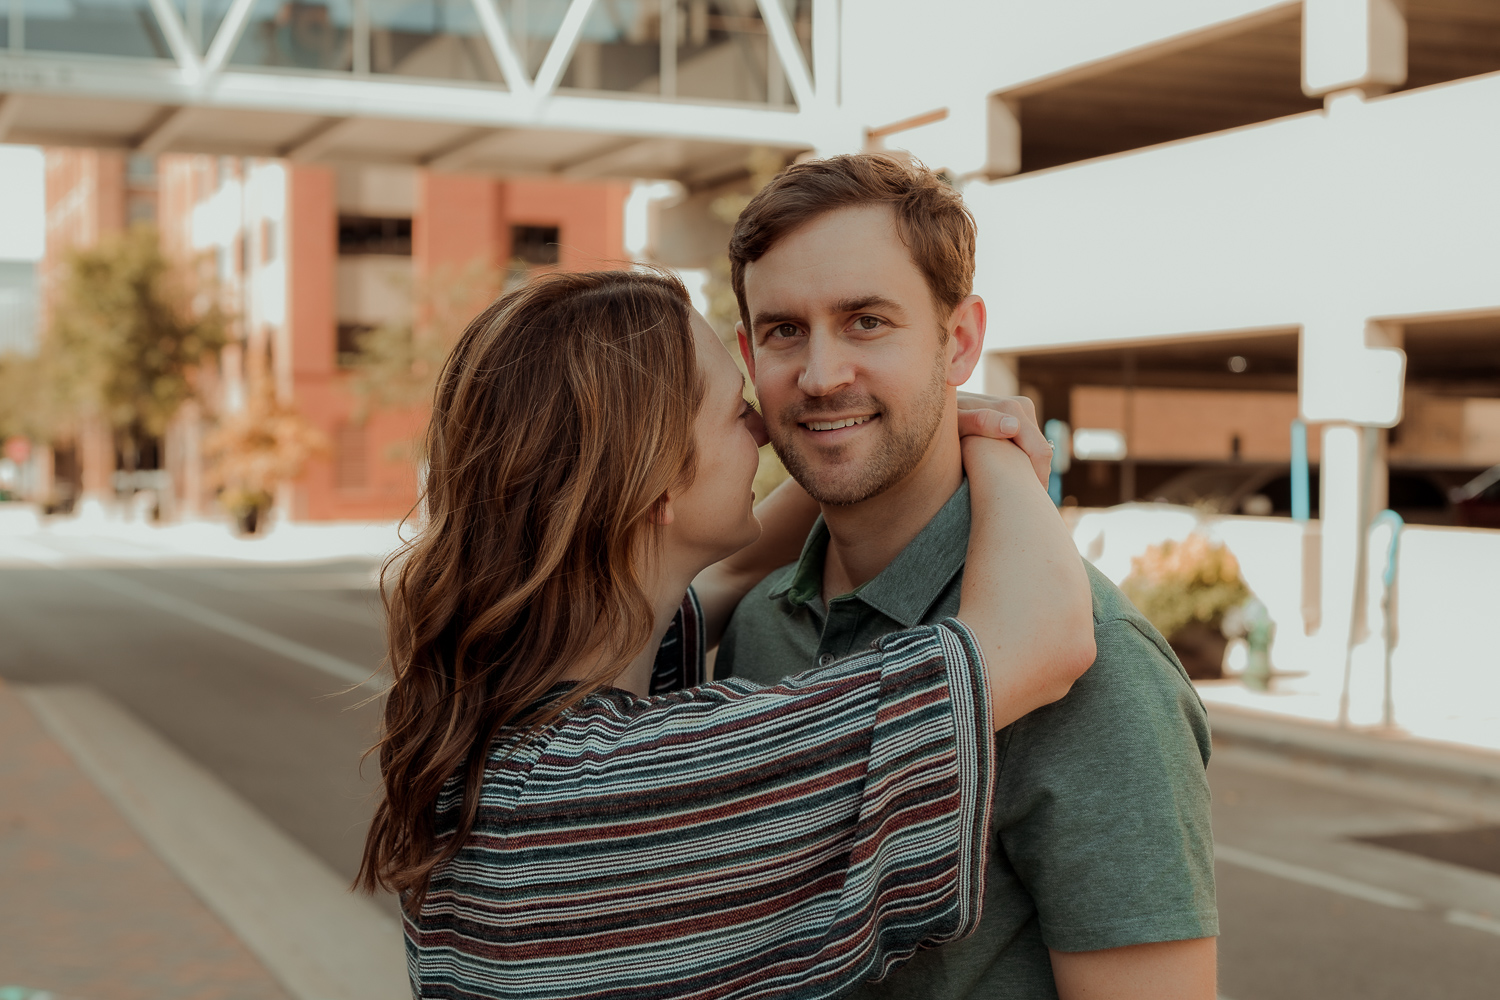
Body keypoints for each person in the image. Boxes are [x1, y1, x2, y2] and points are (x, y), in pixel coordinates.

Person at [356, 268, 1097, 999]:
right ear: (656, 483)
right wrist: (991, 441)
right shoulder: (635, 787)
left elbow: (727, 576)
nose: (765, 431)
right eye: (735, 413)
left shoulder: (504, 714)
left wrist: (891, 427)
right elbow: (1040, 640)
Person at [717, 154, 1220, 1000]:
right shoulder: (758, 619)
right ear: (749, 352)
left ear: (959, 341)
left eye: (867, 321)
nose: (821, 374)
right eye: (784, 331)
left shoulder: (1095, 665)